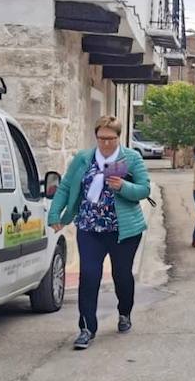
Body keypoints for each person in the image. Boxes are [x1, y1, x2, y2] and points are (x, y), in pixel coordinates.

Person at [47, 116, 152, 350]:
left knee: (121, 276)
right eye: (101, 138)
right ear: (96, 136)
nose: (105, 143)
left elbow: (144, 189)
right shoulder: (84, 158)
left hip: (122, 231)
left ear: (119, 137)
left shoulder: (130, 158)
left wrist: (123, 186)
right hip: (89, 228)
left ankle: (124, 312)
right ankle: (86, 328)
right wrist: (55, 214)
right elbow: (65, 186)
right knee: (89, 276)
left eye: (111, 139)